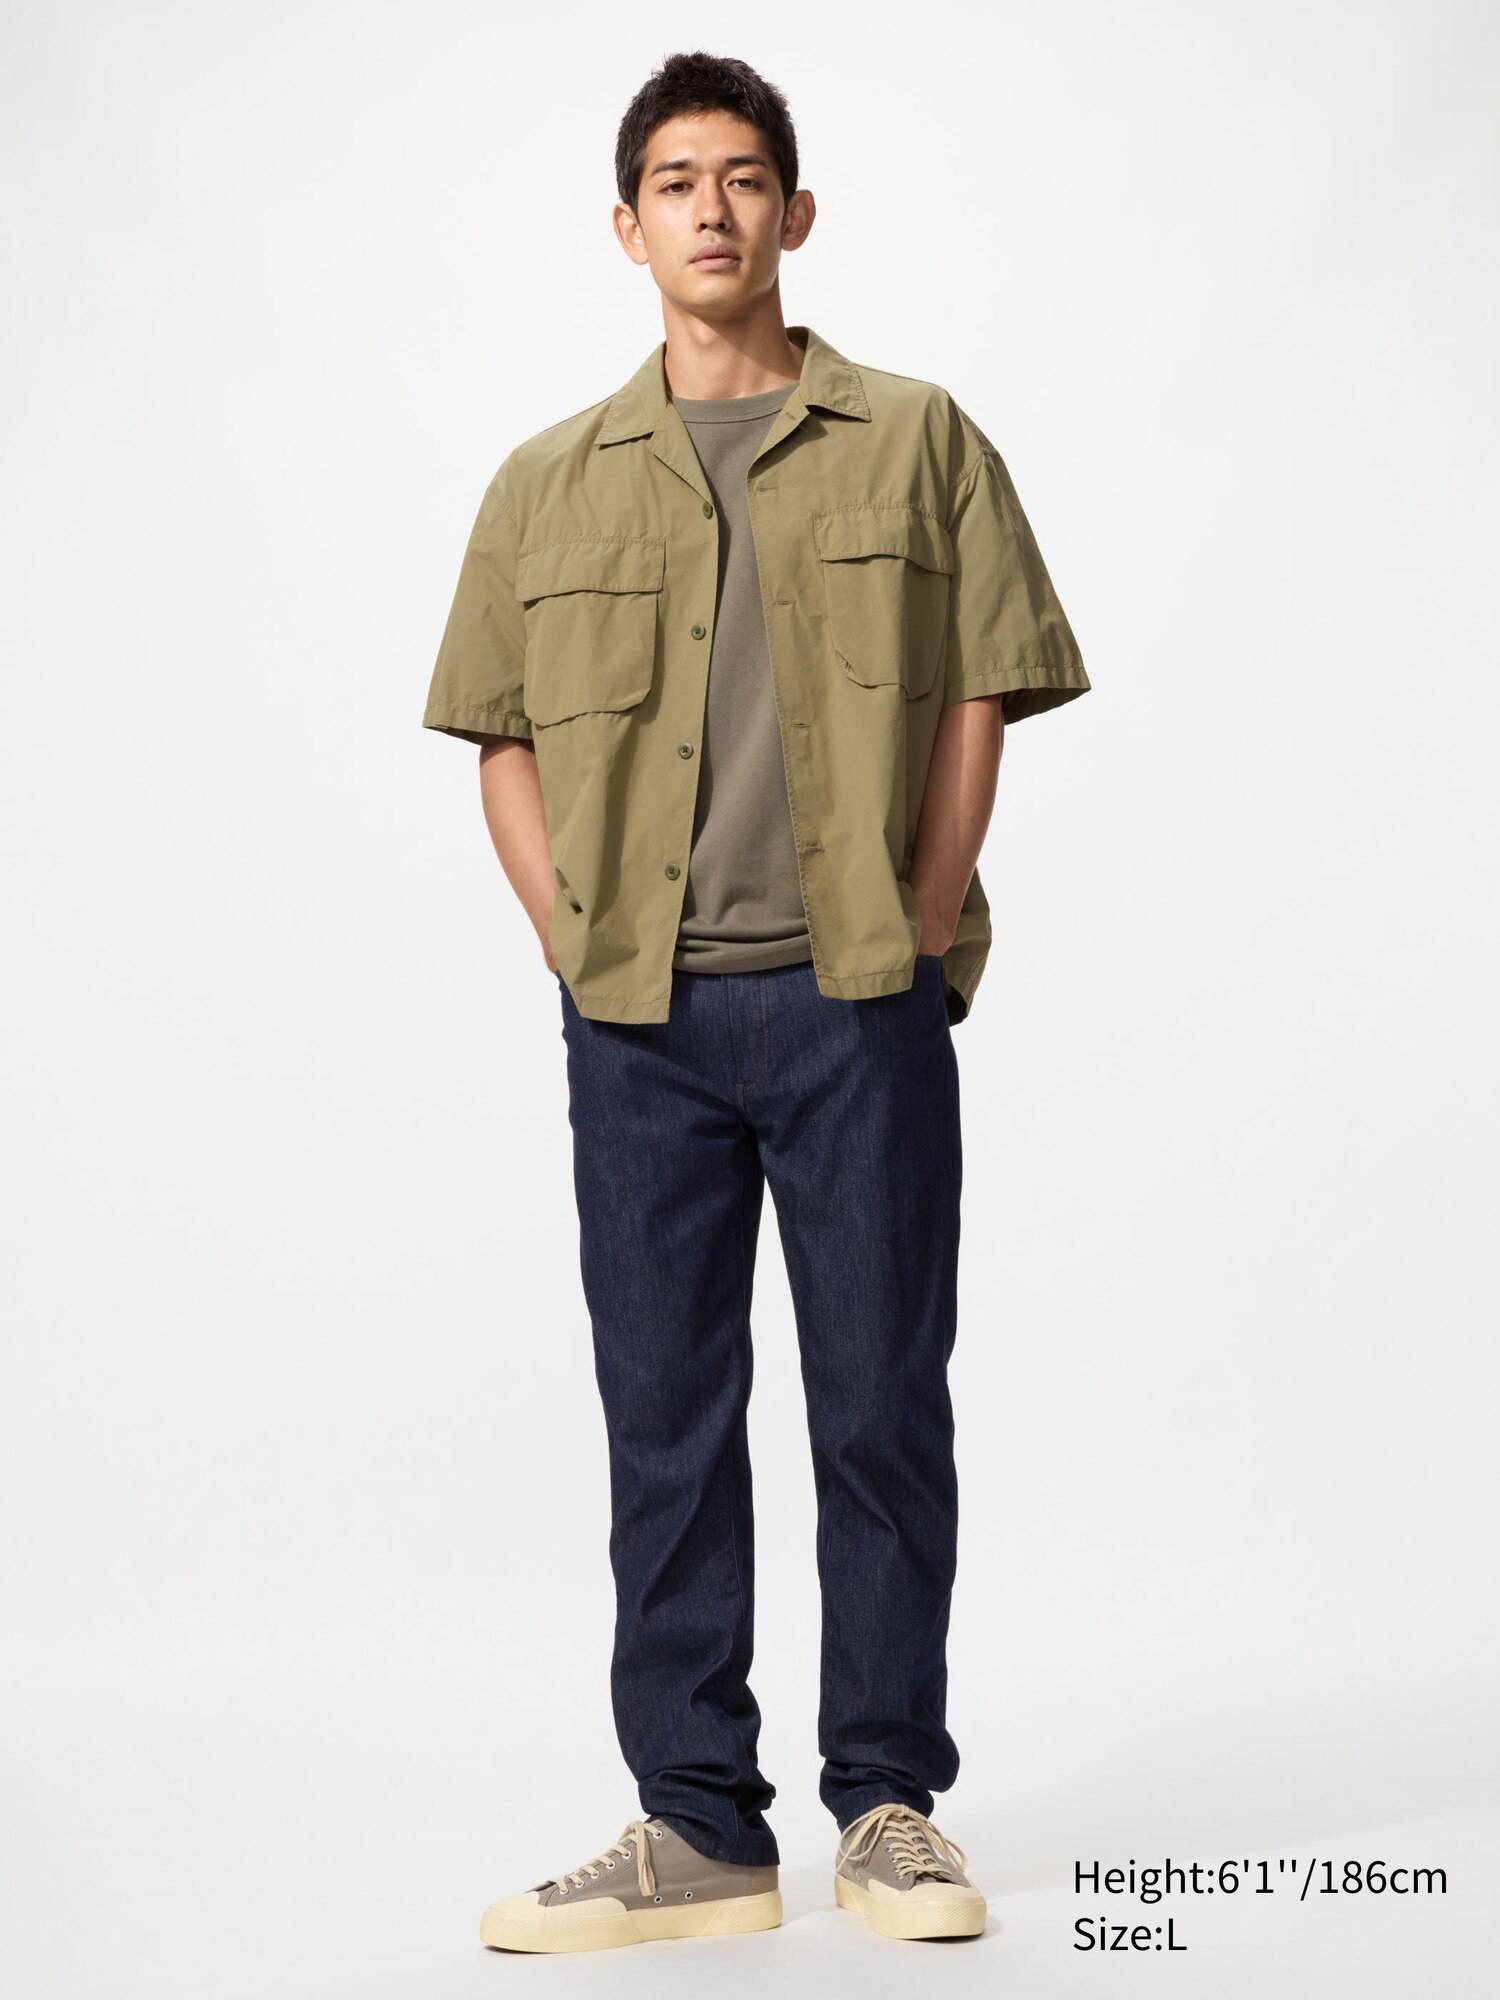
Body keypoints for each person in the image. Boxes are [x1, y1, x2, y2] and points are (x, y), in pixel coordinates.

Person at [420, 49, 1090, 1955]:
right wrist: (569, 936)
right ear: (625, 228)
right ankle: (699, 1827)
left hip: (855, 1002)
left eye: (742, 178)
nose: (710, 209)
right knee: (665, 1423)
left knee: (880, 1407)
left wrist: (927, 908)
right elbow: (498, 731)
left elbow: (982, 685)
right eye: (675, 182)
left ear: (795, 214)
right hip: (638, 1027)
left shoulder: (918, 440)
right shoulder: (547, 482)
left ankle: (887, 1806)